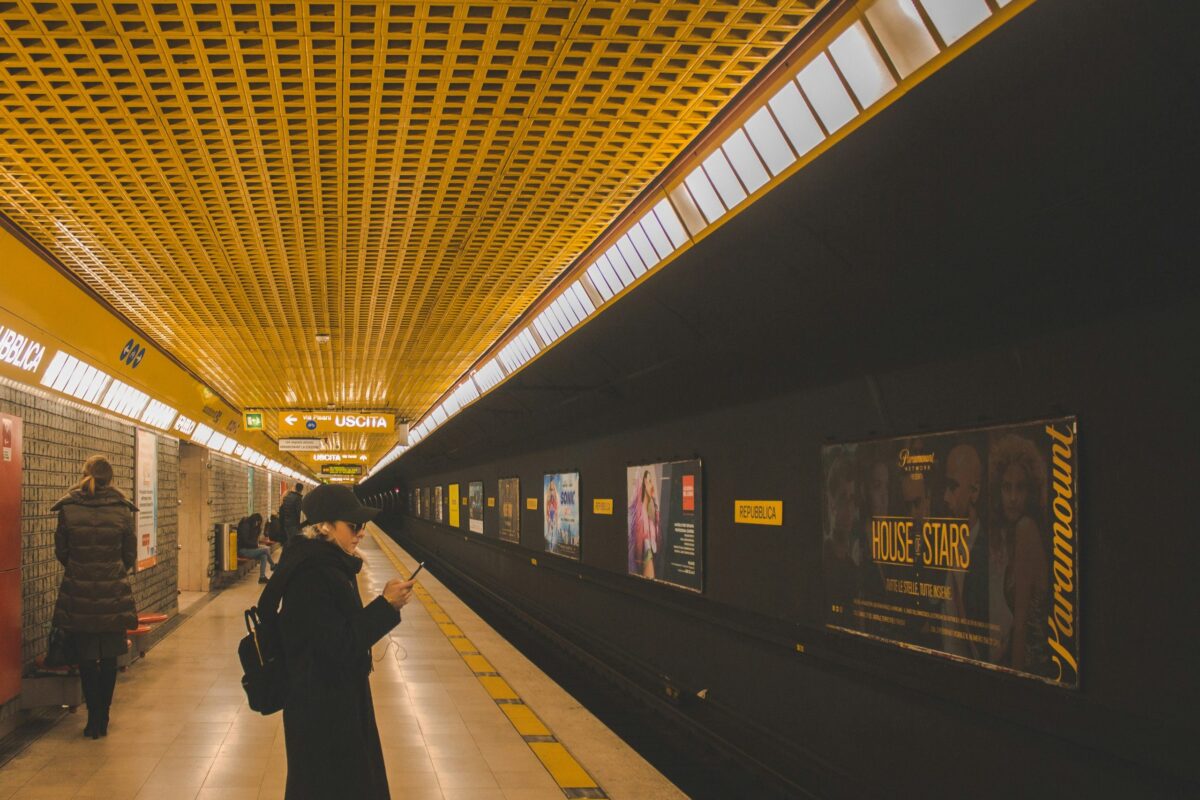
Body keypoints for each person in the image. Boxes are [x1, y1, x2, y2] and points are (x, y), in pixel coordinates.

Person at [277, 483, 414, 799]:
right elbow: (336, 645)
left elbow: (336, 632)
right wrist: (385, 607)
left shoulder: (328, 563)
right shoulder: (312, 575)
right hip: (323, 711)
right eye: (353, 525)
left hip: (331, 702)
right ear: (325, 527)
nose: (361, 532)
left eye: (363, 525)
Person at [52, 455, 138, 739]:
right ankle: (104, 716)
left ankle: (92, 720)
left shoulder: (68, 508)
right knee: (110, 656)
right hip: (113, 590)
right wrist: (111, 570)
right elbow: (129, 555)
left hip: (79, 590)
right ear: (111, 478)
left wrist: (82, 569)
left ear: (85, 474)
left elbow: (62, 552)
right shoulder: (123, 510)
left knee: (87, 658)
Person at [988, 433, 1052, 675]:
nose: (1013, 497)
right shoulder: (1017, 533)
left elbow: (1022, 624)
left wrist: (1014, 684)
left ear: (1032, 491)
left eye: (1021, 488)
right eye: (1006, 487)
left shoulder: (1026, 529)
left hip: (1032, 667)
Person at [628, 469, 660, 578]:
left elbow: (658, 541)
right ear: (644, 483)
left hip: (643, 567)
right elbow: (635, 491)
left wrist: (656, 503)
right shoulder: (637, 509)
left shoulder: (651, 521)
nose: (652, 486)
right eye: (649, 481)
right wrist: (639, 472)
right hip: (632, 568)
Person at [236, 512, 277, 583]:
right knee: (265, 550)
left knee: (264, 556)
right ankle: (273, 565)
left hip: (249, 550)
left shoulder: (252, 527)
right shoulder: (245, 526)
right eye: (257, 522)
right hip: (243, 551)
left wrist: (258, 530)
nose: (257, 524)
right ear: (254, 520)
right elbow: (245, 541)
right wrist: (256, 545)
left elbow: (253, 540)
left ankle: (262, 577)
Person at [278, 482, 304, 546]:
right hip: (294, 524)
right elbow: (299, 512)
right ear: (301, 490)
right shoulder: (298, 498)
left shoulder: (287, 497)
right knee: (296, 542)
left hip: (286, 523)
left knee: (290, 541)